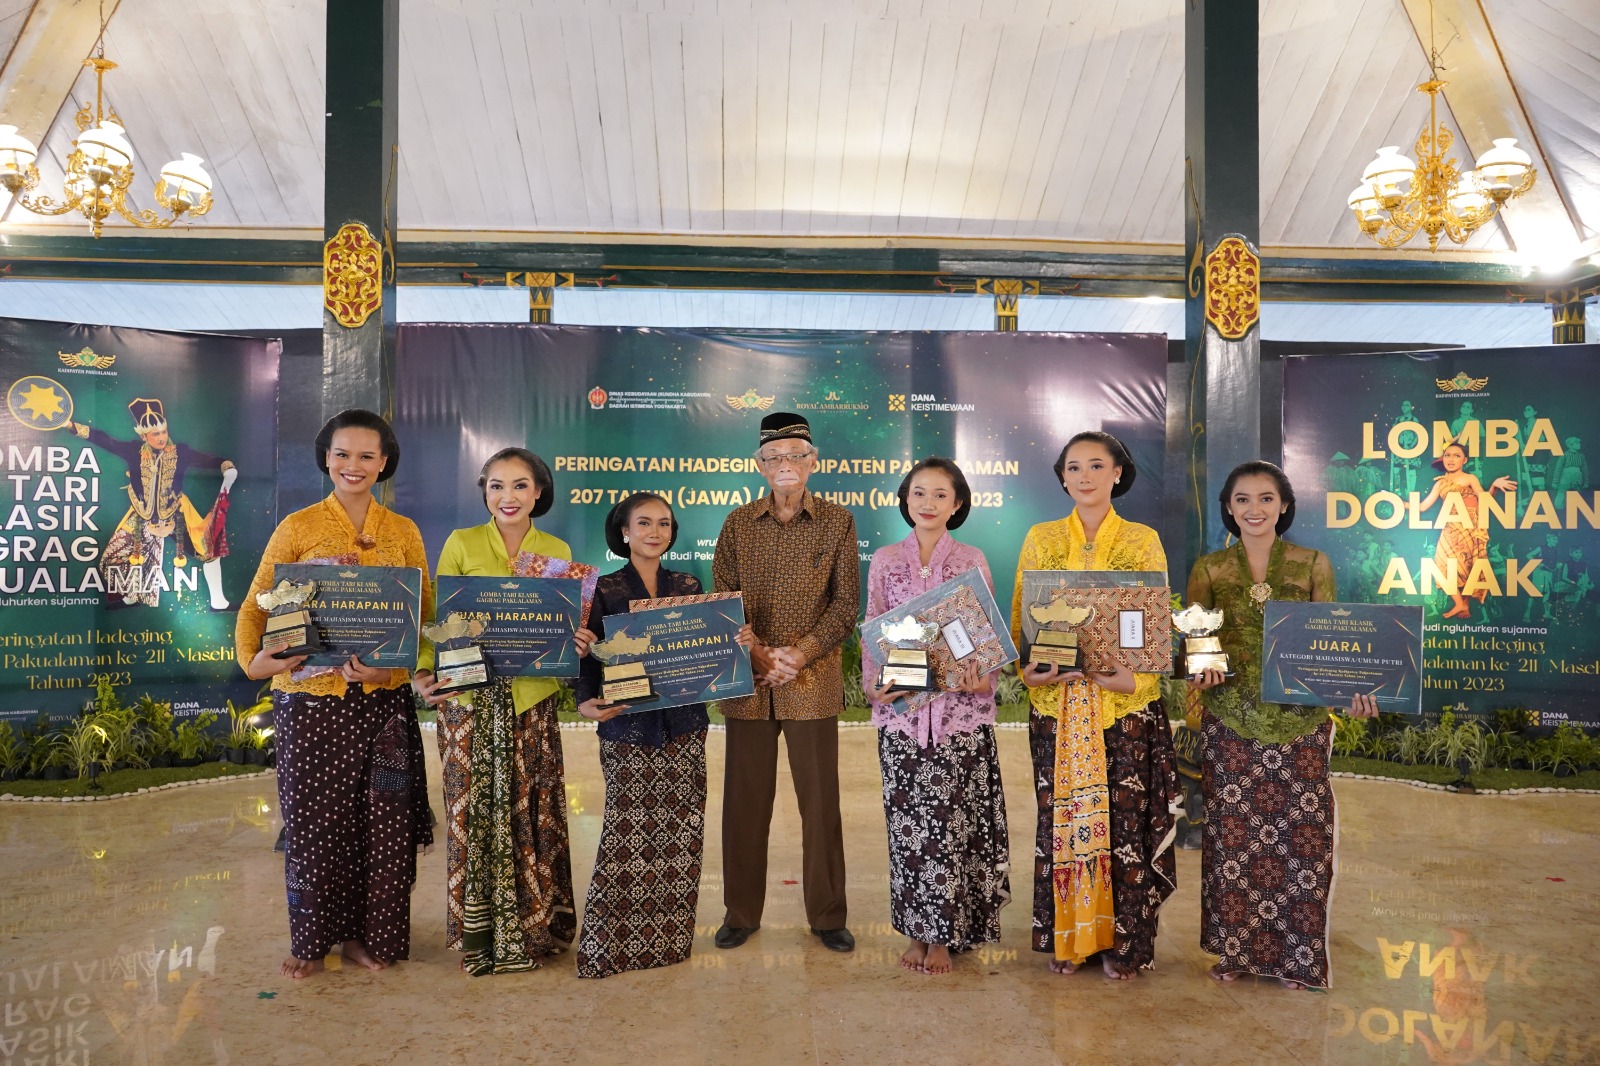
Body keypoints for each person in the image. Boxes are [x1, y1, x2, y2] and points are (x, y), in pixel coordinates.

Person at [233, 409, 432, 980]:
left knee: (384, 823)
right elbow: (256, 604)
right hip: (311, 700)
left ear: (384, 463)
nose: (354, 465)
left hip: (383, 706)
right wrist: (254, 661)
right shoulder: (297, 526)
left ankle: (365, 939)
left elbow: (419, 618)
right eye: (343, 454)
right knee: (316, 822)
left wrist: (390, 672)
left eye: (367, 456)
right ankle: (313, 939)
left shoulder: (404, 532)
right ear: (325, 458)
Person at [1187, 460, 1379, 991]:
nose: (1255, 509)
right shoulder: (1209, 568)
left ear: (1284, 506)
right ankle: (1237, 953)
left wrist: (1355, 694)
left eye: (1266, 499)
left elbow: (1333, 645)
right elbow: (1197, 637)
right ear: (1228, 507)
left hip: (1299, 724)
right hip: (1231, 719)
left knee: (1301, 840)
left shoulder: (1313, 563)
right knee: (1233, 841)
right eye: (1243, 499)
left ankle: (1297, 960)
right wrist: (1198, 676)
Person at [1010, 431, 1178, 981]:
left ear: (1118, 475)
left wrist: (1130, 678)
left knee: (1124, 829)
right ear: (1062, 477)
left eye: (1096, 466)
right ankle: (1071, 938)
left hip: (1120, 708)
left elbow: (1150, 626)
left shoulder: (1142, 540)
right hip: (1058, 708)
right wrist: (1028, 671)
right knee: (1061, 821)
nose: (1084, 476)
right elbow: (1022, 623)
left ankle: (1120, 944)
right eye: (1074, 467)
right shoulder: (1040, 538)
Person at [572, 493, 752, 978]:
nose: (655, 531)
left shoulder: (687, 585)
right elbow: (584, 656)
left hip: (685, 729)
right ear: (624, 532)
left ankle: (666, 944)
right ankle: (608, 950)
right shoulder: (604, 590)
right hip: (627, 728)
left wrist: (736, 646)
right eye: (644, 523)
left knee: (680, 834)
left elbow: (706, 651)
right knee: (625, 836)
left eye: (664, 524)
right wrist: (586, 702)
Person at [414, 448, 579, 976]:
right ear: (484, 492)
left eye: (520, 486)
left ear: (538, 493)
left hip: (531, 700)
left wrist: (570, 640)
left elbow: (558, 626)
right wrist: (426, 672)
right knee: (472, 812)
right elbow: (445, 616)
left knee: (533, 810)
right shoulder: (461, 543)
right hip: (470, 703)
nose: (508, 497)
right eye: (497, 486)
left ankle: (534, 930)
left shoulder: (555, 549)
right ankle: (481, 937)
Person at [710, 412, 860, 953]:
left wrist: (799, 654)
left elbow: (845, 604)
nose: (785, 465)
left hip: (810, 681)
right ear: (759, 466)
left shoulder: (838, 523)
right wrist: (756, 653)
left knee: (820, 805)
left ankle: (827, 915)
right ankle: (740, 912)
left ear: (813, 462)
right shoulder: (736, 524)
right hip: (748, 684)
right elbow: (722, 601)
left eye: (796, 455)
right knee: (744, 804)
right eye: (774, 458)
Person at [862, 458, 1010, 976]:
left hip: (958, 720)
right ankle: (915, 931)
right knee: (909, 827)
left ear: (958, 504)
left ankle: (946, 935)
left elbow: (982, 631)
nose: (927, 502)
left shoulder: (972, 559)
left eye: (940, 494)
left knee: (954, 824)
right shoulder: (884, 560)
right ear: (905, 500)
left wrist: (980, 674)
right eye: (918, 493)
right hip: (903, 721)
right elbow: (873, 630)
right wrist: (876, 688)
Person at [69, 397, 235, 610]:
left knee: (208, 550)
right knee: (112, 556)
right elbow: (105, 440)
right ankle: (130, 596)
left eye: (163, 432)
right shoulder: (133, 451)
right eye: (155, 434)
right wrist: (71, 426)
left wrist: (225, 465)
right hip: (142, 514)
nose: (161, 437)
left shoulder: (180, 452)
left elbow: (207, 459)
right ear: (143, 435)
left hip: (176, 511)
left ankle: (219, 602)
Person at [1417, 442, 1516, 620]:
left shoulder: (1470, 478)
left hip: (1470, 526)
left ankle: (1464, 605)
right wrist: (1399, 504)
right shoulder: (1440, 483)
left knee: (1469, 567)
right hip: (1450, 526)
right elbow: (1423, 506)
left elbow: (1485, 500)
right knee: (1441, 566)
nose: (1451, 459)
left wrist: (1493, 486)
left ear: (1465, 460)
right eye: (1447, 455)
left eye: (1456, 455)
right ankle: (1460, 603)